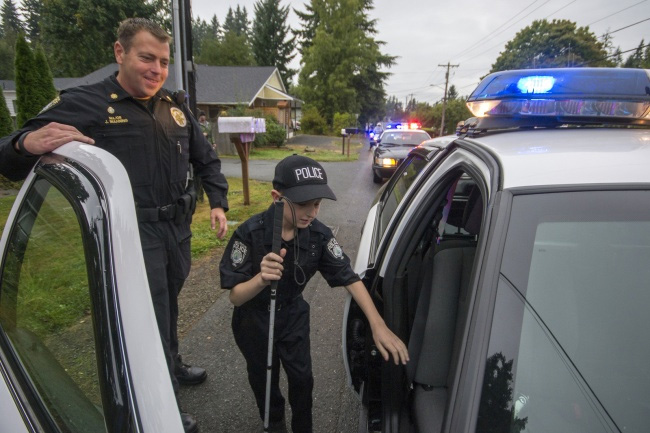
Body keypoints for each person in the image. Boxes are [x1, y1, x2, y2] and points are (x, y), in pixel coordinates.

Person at [0, 17, 228, 433]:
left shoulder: (174, 106)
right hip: (132, 236)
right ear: (120, 53)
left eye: (163, 61)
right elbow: (12, 152)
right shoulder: (86, 103)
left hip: (176, 230)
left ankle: (170, 363)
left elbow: (205, 157)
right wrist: (23, 143)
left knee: (169, 302)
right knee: (150, 313)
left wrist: (218, 202)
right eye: (147, 58)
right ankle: (166, 408)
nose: (157, 69)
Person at [220, 155, 409, 433]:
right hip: (254, 320)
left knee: (302, 380)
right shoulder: (248, 234)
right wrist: (261, 278)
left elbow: (349, 277)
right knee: (263, 379)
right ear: (277, 197)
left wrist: (377, 324)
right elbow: (235, 297)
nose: (311, 212)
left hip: (293, 315)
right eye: (302, 205)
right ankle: (273, 423)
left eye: (317, 204)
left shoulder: (318, 236)